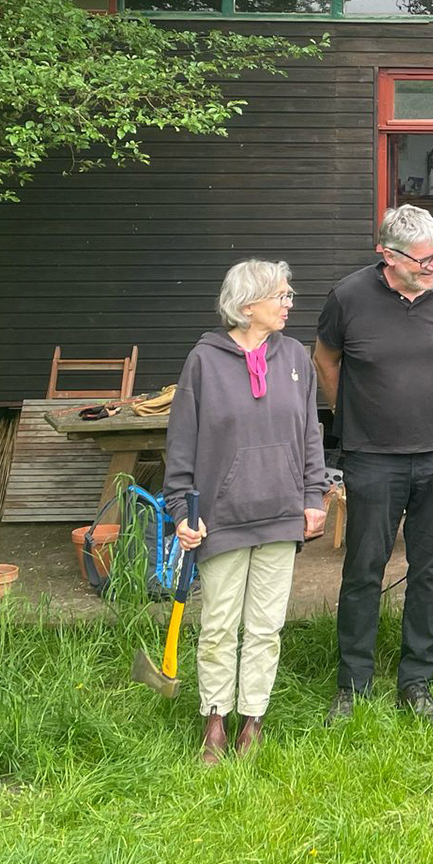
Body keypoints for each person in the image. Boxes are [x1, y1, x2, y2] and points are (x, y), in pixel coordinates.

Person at [164, 259, 327, 765]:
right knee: (218, 626)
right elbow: (181, 443)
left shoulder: (295, 357)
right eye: (281, 295)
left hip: (280, 513)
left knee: (265, 627)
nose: (289, 303)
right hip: (222, 518)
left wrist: (314, 496)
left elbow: (310, 433)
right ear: (248, 305)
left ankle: (252, 719)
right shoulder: (204, 361)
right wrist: (181, 510)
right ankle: (215, 719)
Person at [314, 205, 433, 725]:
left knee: (430, 570)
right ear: (387, 255)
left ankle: (417, 680)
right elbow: (325, 360)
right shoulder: (348, 297)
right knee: (363, 570)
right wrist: (349, 417)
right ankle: (352, 683)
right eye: (425, 260)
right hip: (373, 458)